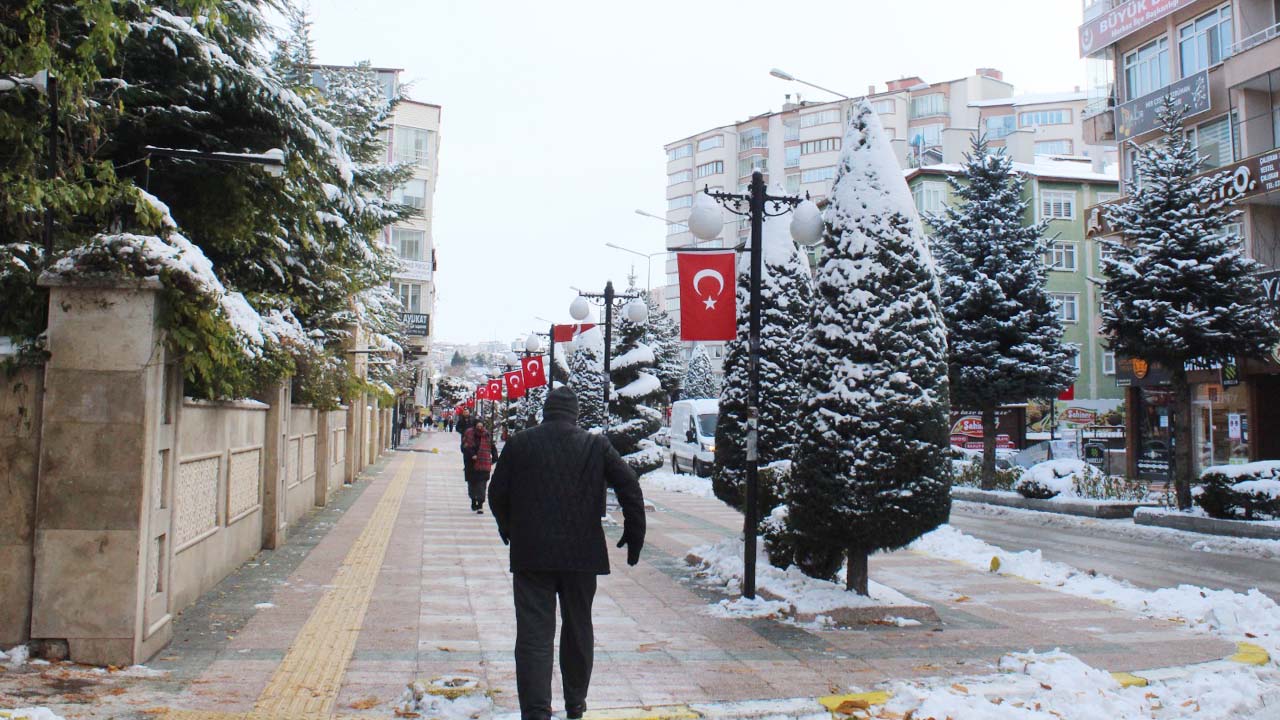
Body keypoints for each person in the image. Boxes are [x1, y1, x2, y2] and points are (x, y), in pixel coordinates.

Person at [488, 387, 646, 720]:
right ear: (575, 414)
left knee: (534, 634)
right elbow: (629, 484)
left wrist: (510, 529)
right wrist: (635, 532)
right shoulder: (594, 444)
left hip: (532, 555)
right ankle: (576, 704)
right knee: (578, 628)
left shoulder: (520, 443)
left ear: (546, 412)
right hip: (581, 555)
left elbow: (496, 492)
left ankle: (536, 711)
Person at [461, 420, 494, 513]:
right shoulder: (468, 434)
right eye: (478, 426)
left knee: (482, 486)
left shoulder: (486, 435)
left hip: (484, 464)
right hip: (471, 465)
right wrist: (471, 455)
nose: (480, 428)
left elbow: (492, 446)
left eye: (481, 426)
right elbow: (464, 447)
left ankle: (480, 505)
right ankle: (473, 500)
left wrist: (494, 457)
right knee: (472, 485)